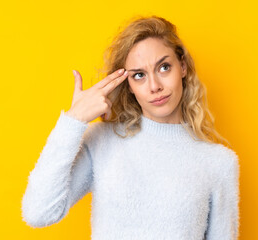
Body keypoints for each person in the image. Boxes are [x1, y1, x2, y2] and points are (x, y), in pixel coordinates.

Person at [21, 15, 240, 240]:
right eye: (139, 75)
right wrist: (73, 121)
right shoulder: (102, 141)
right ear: (129, 85)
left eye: (164, 67)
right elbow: (38, 212)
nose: (154, 86)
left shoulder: (220, 163)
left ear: (182, 67)